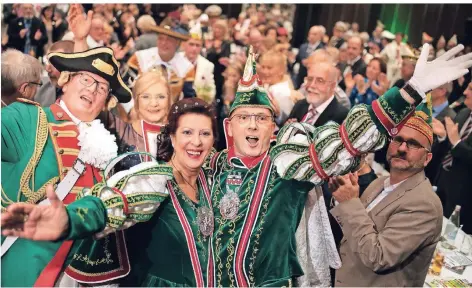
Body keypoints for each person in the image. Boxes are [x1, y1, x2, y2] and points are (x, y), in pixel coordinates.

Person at [4, 44, 472, 287]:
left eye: (262, 119)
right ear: (228, 129)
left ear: (274, 128)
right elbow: (123, 201)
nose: (252, 126)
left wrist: (407, 92)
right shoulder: (191, 171)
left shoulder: (288, 163)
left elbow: (343, 142)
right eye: (243, 117)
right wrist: (69, 216)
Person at [2, 98, 217, 287]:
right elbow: (111, 204)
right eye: (187, 132)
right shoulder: (156, 178)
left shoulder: (211, 181)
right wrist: (70, 219)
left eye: (205, 134)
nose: (196, 142)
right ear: (171, 137)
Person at [0, 47, 132, 287]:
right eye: (86, 79)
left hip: (88, 273)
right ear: (65, 81)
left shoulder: (111, 148)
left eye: (102, 88)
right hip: (33, 268)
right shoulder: (29, 118)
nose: (92, 89)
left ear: (106, 102)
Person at [329, 98, 443, 286]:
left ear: (427, 158)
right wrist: (341, 195)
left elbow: (378, 257)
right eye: (398, 139)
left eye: (413, 144)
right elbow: (353, 231)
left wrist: (350, 202)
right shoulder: (379, 183)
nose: (402, 148)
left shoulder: (424, 204)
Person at [107, 68, 172, 171]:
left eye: (161, 97)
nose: (154, 103)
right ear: (136, 102)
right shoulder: (121, 133)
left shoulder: (179, 136)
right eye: (146, 97)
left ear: (169, 100)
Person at [434, 82, 472, 234]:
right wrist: (443, 136)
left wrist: (456, 142)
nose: (465, 92)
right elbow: (448, 148)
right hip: (443, 183)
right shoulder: (463, 113)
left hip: (464, 196)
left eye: (470, 89)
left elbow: (458, 146)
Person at [127, 21, 194, 103]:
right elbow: (126, 87)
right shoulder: (139, 58)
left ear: (177, 43)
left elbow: (188, 99)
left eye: (169, 40)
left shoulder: (186, 68)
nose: (163, 43)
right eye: (161, 38)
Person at [180, 24, 216, 104]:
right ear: (184, 44)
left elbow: (210, 91)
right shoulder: (175, 60)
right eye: (191, 44)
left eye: (197, 45)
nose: (194, 48)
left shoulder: (207, 65)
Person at [34, 40, 75, 107]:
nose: (47, 69)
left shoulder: (86, 97)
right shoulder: (41, 91)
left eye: (53, 63)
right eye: (47, 62)